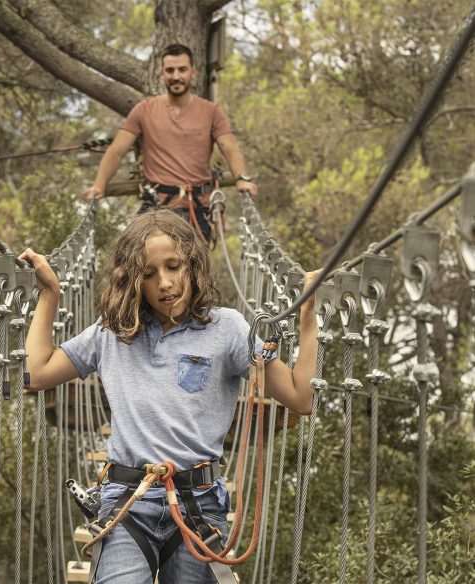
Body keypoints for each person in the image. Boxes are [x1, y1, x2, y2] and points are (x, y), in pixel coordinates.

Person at [20, 210, 318, 583]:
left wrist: (309, 316)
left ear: (192, 264)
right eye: (148, 274)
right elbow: (36, 373)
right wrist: (50, 294)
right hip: (128, 502)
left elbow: (300, 398)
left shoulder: (227, 329)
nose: (165, 283)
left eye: (173, 266)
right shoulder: (112, 333)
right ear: (133, 282)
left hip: (198, 506)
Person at [83, 43, 258, 243]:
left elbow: (229, 147)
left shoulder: (211, 111)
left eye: (182, 69)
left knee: (193, 272)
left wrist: (242, 177)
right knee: (143, 266)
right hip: (156, 207)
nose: (176, 76)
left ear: (193, 72)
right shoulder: (144, 110)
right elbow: (116, 151)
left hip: (196, 209)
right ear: (162, 73)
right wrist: (99, 185)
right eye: (170, 70)